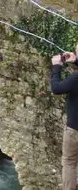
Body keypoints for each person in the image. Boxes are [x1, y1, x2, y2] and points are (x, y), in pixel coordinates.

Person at [51, 48, 78, 190]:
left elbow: (56, 88)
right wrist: (76, 60)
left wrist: (56, 66)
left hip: (74, 130)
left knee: (69, 162)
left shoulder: (75, 79)